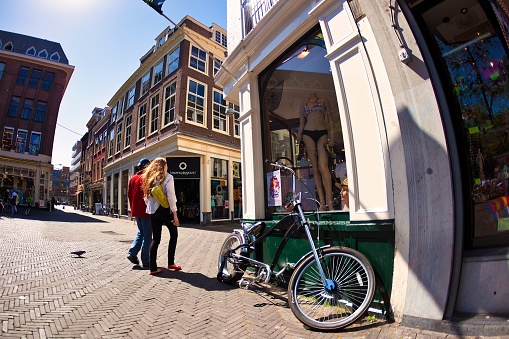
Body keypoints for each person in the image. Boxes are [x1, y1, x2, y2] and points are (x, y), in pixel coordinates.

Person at [142, 157, 180, 275]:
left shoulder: (149, 178)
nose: (167, 167)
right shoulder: (168, 177)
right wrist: (175, 214)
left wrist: (151, 207)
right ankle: (171, 262)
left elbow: (146, 198)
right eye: (166, 165)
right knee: (174, 234)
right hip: (165, 210)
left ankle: (153, 268)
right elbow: (171, 196)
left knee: (156, 239)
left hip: (154, 212)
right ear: (163, 166)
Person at [297, 92, 334, 211]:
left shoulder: (324, 101)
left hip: (322, 132)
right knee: (315, 168)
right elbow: (302, 122)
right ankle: (322, 203)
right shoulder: (303, 104)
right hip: (307, 133)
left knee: (324, 166)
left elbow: (330, 120)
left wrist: (332, 136)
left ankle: (331, 203)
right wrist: (298, 136)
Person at [127, 158, 152, 269]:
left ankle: (132, 253)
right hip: (146, 211)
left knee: (141, 232)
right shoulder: (147, 178)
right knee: (147, 236)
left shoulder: (132, 178)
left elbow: (129, 195)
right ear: (146, 166)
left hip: (136, 211)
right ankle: (146, 260)